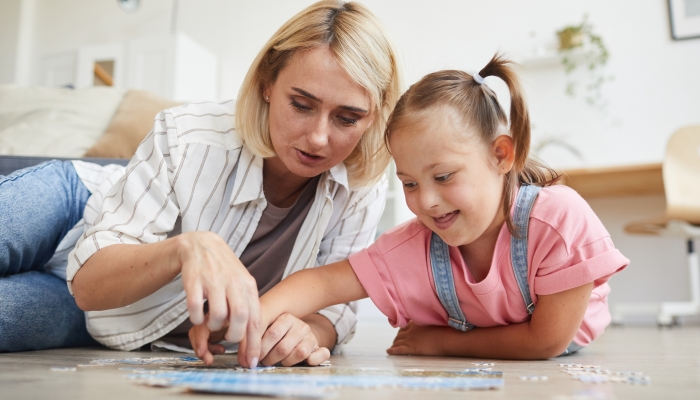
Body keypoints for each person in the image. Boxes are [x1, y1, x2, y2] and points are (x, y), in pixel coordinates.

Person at [0, 0, 402, 367]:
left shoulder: (359, 184)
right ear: (266, 83)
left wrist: (309, 332)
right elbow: (90, 277)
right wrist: (188, 248)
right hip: (73, 210)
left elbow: (338, 309)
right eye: (301, 104)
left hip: (109, 315)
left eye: (347, 119)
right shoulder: (188, 134)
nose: (318, 137)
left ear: (373, 117)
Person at [192, 54, 629, 363]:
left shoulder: (558, 220)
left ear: (501, 155)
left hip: (563, 336)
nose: (427, 201)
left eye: (443, 177)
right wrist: (241, 322)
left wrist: (440, 344)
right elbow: (322, 283)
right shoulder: (415, 244)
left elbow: (545, 342)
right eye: (409, 184)